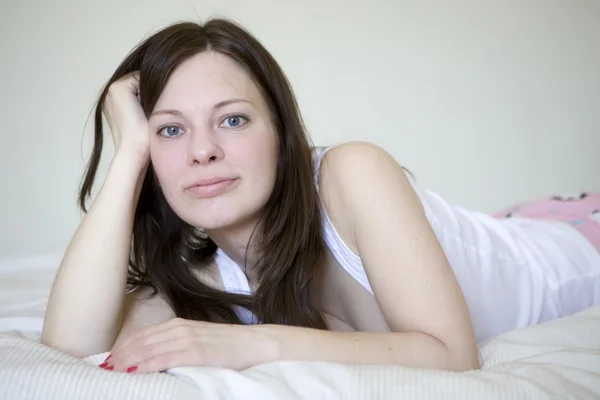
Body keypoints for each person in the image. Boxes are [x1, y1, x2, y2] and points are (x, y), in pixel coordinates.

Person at [41, 18, 600, 375]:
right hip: (505, 222)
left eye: (232, 120)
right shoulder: (202, 273)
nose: (202, 151)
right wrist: (129, 157)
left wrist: (247, 346)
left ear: (281, 134)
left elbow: (452, 356)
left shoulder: (350, 172)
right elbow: (67, 347)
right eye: (170, 130)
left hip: (572, 242)